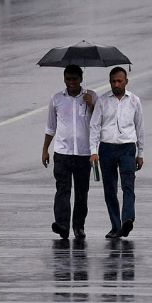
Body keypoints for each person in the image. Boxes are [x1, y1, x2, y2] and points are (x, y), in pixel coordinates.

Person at [88, 66, 144, 239]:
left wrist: (140, 153)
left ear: (126, 81)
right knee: (110, 189)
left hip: (127, 148)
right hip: (107, 149)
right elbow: (95, 126)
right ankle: (115, 226)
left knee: (128, 186)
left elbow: (139, 127)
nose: (116, 84)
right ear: (110, 82)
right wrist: (93, 151)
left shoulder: (134, 101)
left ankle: (127, 219)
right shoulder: (103, 101)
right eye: (113, 81)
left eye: (119, 81)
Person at [42, 64, 96, 241]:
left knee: (81, 192)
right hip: (62, 153)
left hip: (83, 154)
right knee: (62, 190)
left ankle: (78, 226)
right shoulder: (56, 99)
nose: (71, 82)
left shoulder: (91, 96)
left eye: (74, 79)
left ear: (81, 79)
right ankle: (62, 225)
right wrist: (45, 150)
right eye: (68, 79)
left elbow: (98, 123)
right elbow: (51, 127)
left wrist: (92, 105)